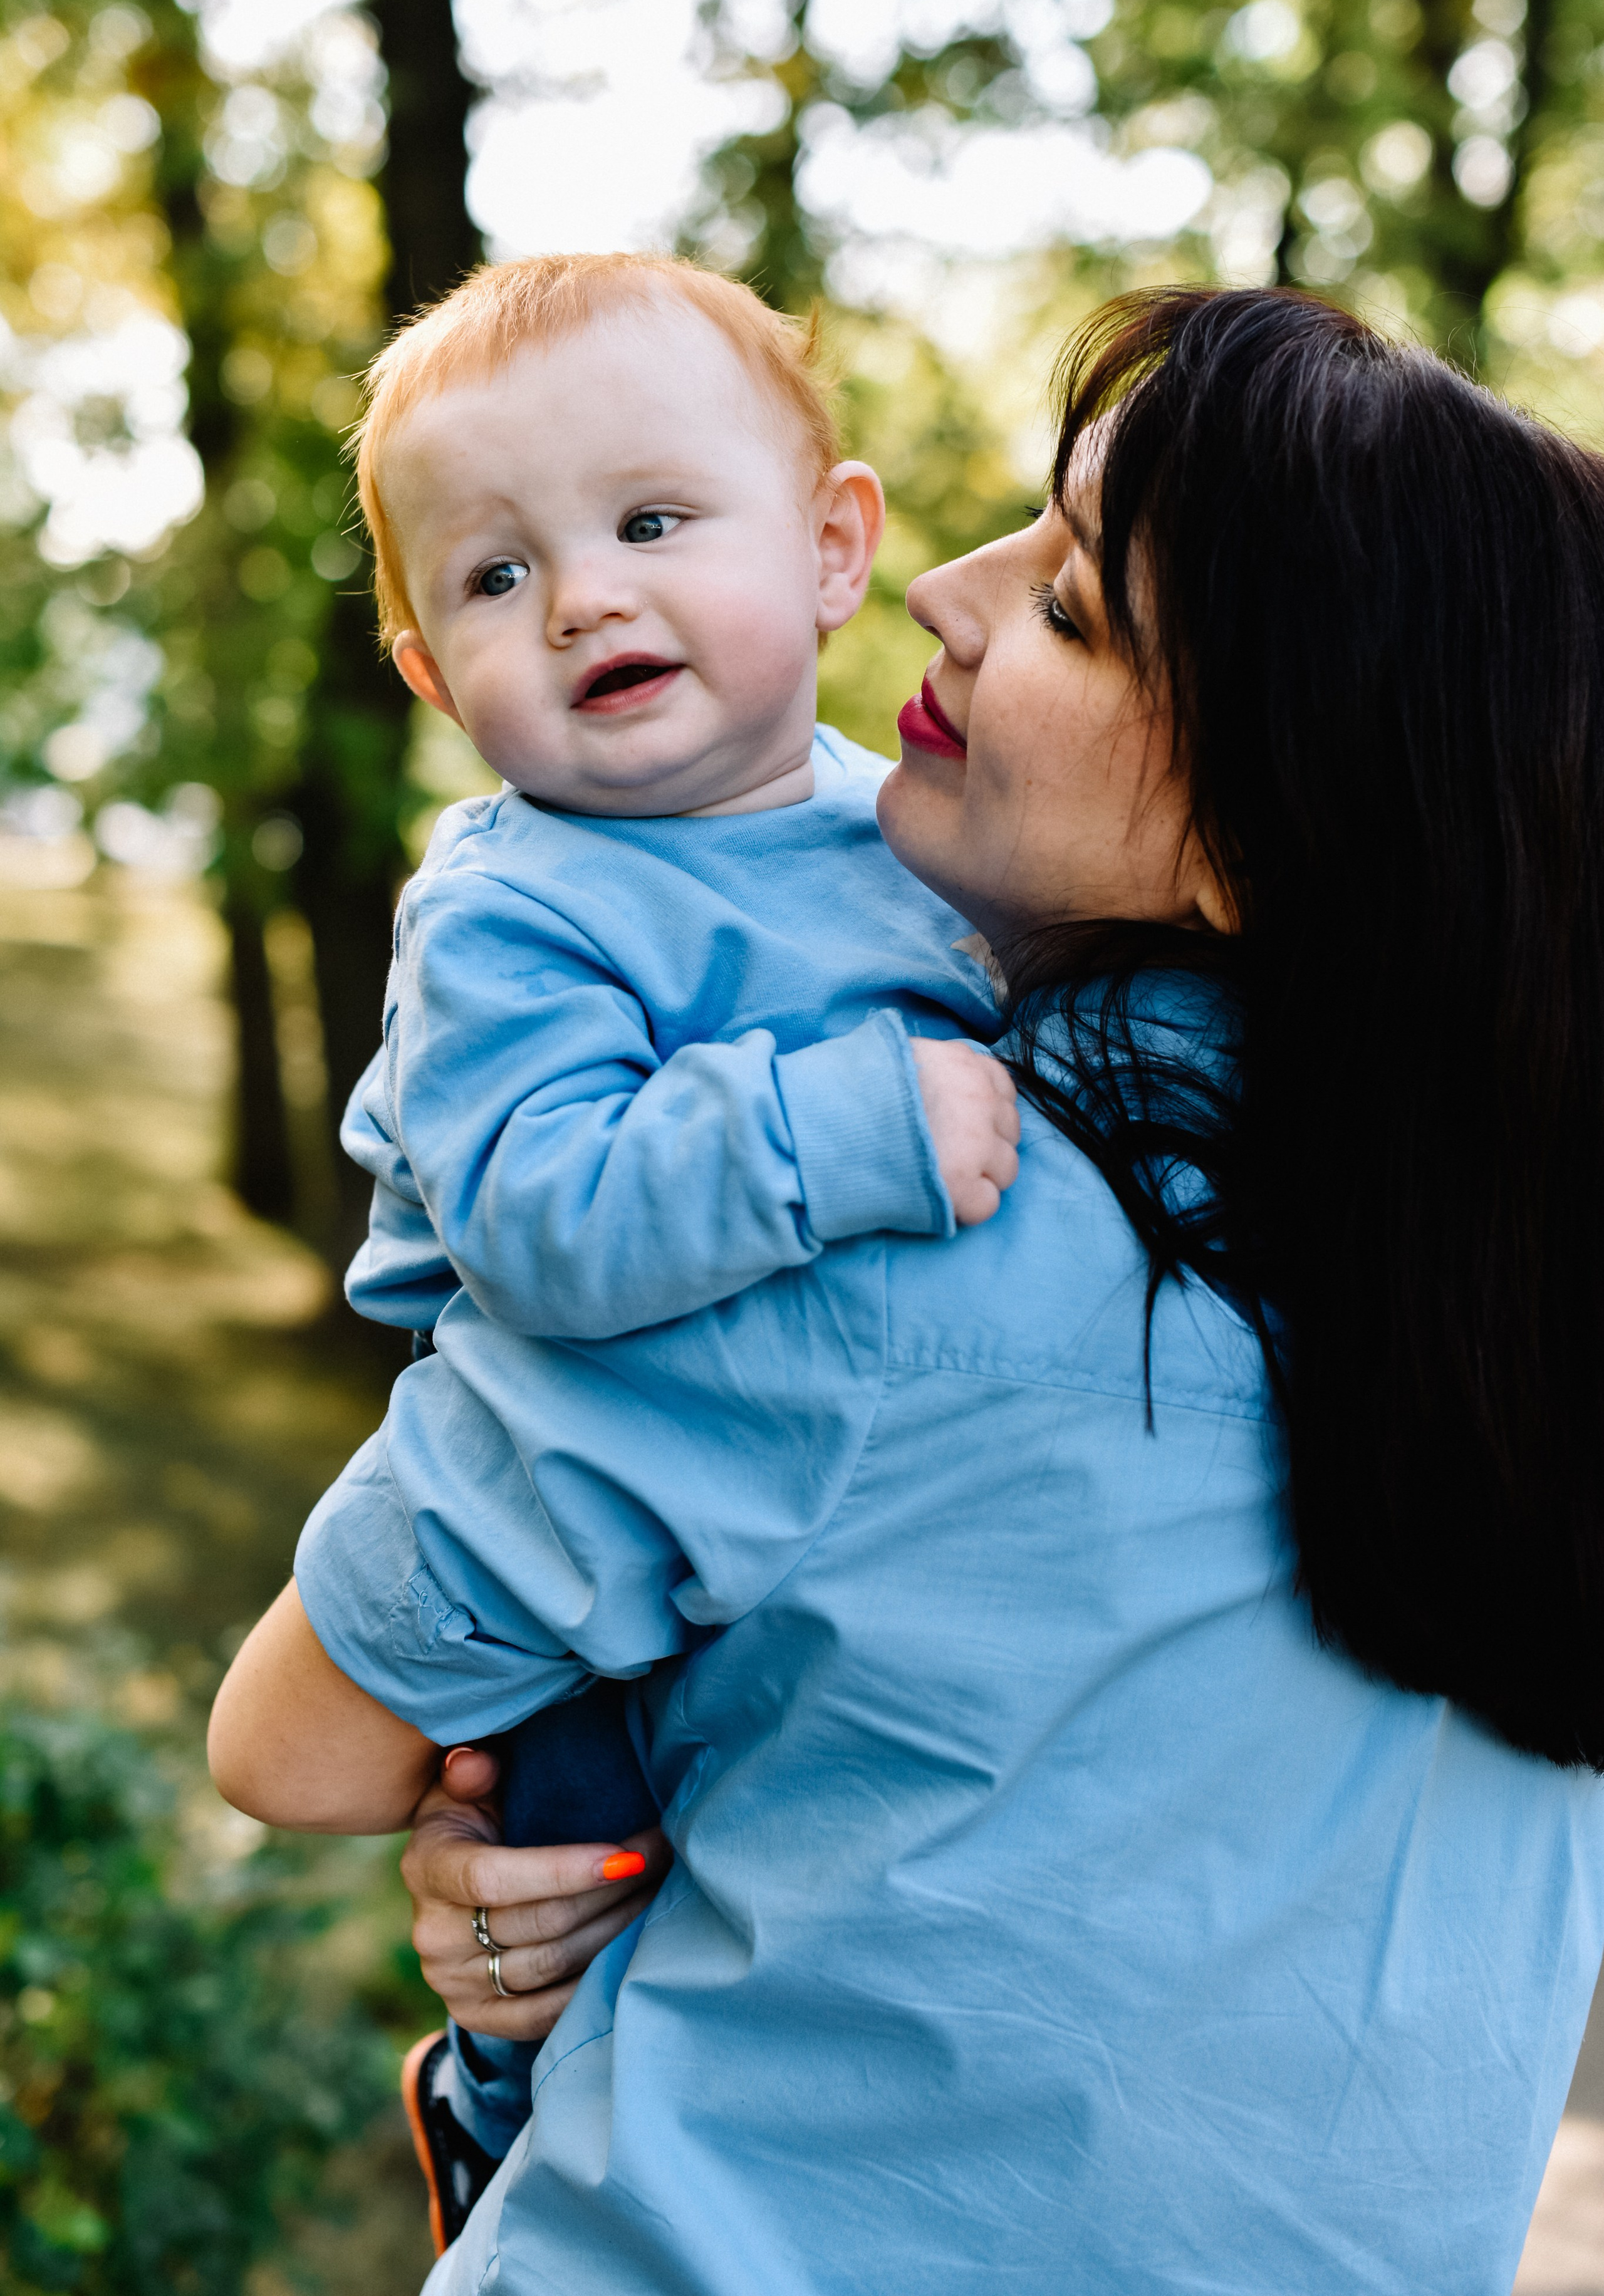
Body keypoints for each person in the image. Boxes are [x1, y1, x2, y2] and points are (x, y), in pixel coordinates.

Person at [211, 286, 1604, 2293]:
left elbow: (295, 1748)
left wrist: (525, 1895)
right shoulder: (1521, 1341)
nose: (943, 592)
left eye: (1068, 610)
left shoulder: (882, 1241)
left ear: (1265, 832)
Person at [273, 249, 1019, 2229]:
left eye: (654, 521)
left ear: (838, 545)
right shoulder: (517, 907)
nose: (585, 593)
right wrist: (837, 1124)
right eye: (496, 578)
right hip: (568, 1512)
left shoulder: (921, 833)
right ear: (432, 676)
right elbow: (539, 1221)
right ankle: (512, 2132)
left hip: (817, 1523)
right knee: (580, 1871)